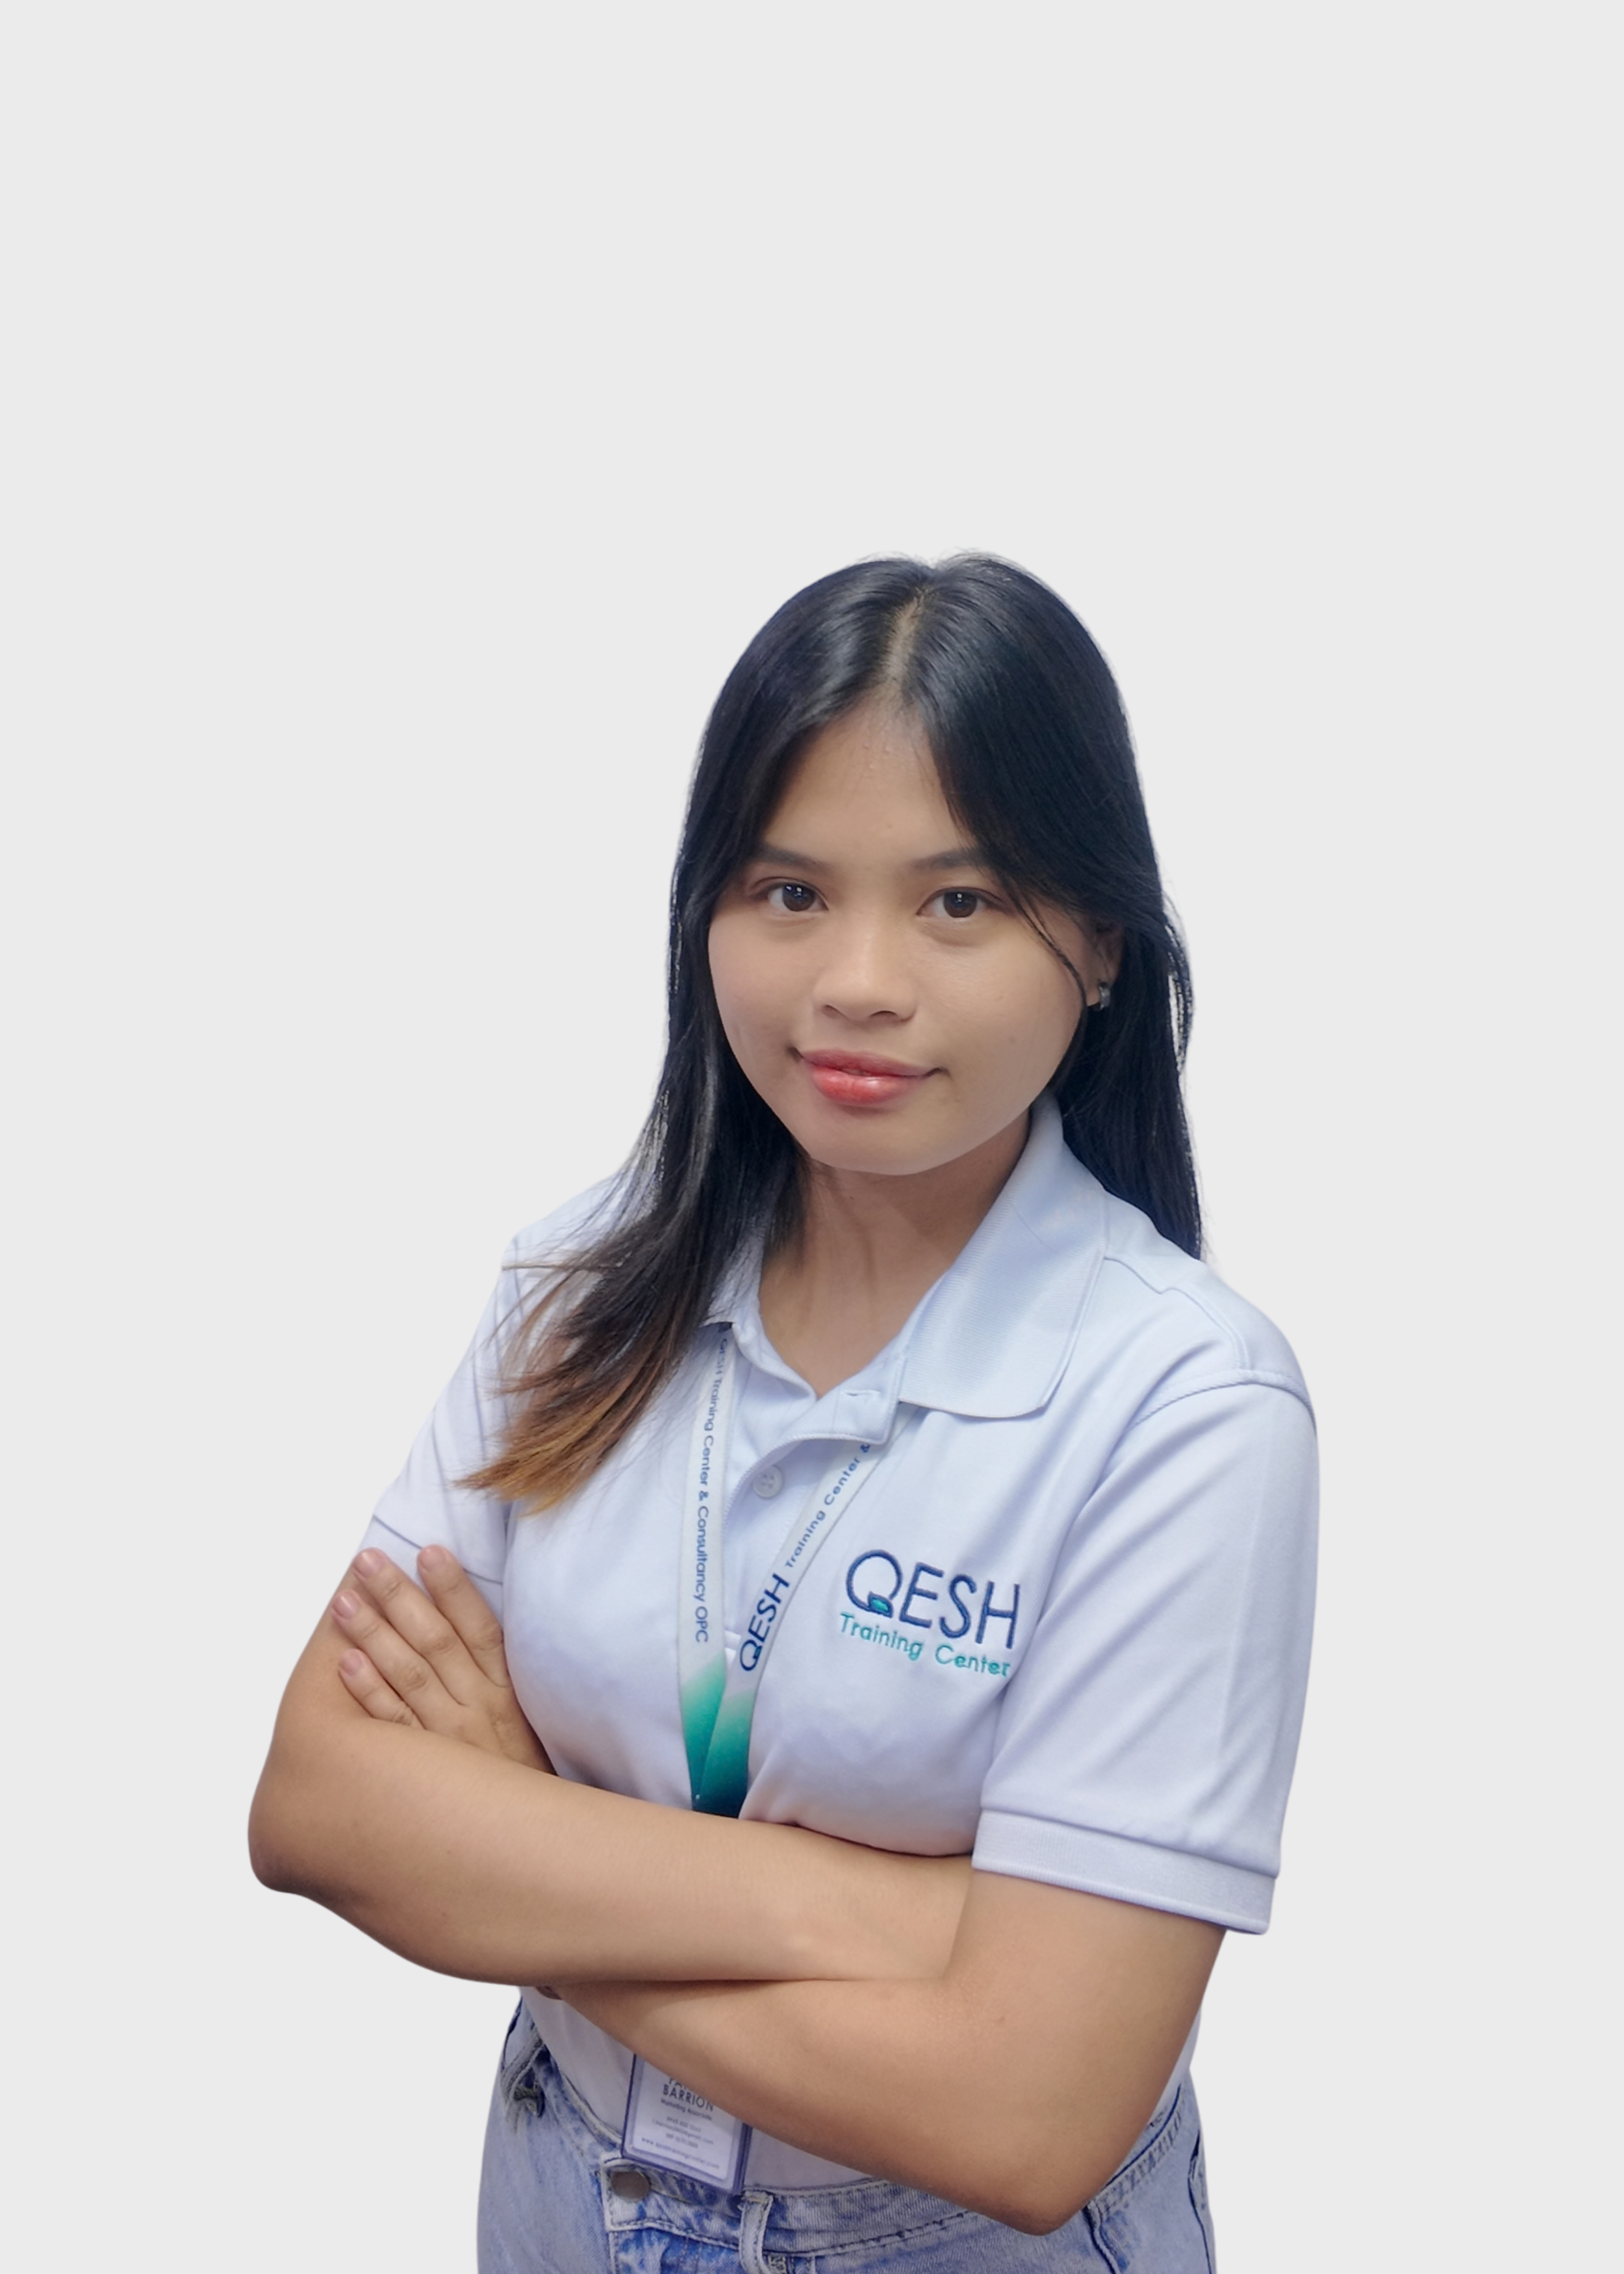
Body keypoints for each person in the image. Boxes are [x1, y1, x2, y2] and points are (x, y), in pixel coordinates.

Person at [250, 554, 1317, 2273]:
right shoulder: (578, 1286)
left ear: (1098, 934)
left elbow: (1029, 2116)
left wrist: (515, 1840)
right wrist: (894, 1916)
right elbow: (313, 1802)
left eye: (956, 903)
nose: (856, 981)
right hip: (560, 2198)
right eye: (788, 891)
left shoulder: (1186, 1405)